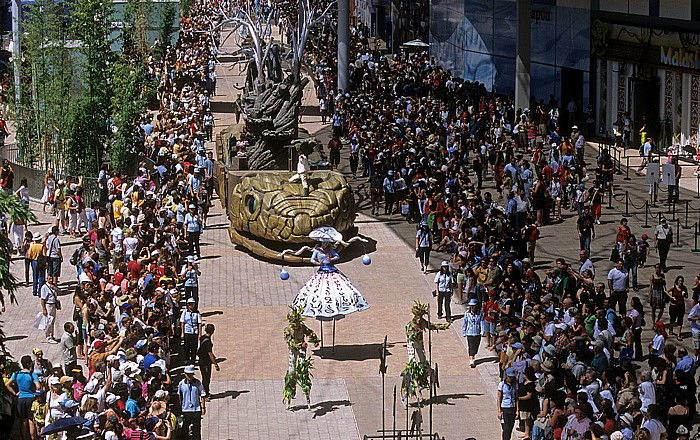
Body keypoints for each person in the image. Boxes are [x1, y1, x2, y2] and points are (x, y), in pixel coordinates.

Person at [283, 307, 320, 409]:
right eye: (293, 325)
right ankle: (289, 396)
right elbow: (290, 343)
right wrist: (300, 345)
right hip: (294, 350)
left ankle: (307, 395)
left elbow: (310, 333)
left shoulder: (302, 327)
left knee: (303, 370)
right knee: (291, 372)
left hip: (302, 350)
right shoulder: (288, 330)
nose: (295, 327)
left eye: (297, 325)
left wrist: (315, 340)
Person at [4, 356, 41, 440]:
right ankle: (33, 438)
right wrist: (35, 394)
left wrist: (15, 393)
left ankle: (24, 438)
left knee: (23, 421)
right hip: (30, 398)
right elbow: (38, 386)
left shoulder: (17, 374)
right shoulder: (32, 374)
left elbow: (7, 384)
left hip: (20, 399)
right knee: (30, 420)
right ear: (28, 363)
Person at [177, 365, 206, 440]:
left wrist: (203, 407)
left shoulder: (197, 383)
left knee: (196, 429)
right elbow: (180, 395)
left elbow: (203, 394)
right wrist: (180, 407)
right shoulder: (181, 384)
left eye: (191, 374)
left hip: (196, 409)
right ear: (185, 374)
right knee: (185, 428)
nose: (189, 376)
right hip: (186, 409)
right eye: (188, 374)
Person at [197, 323, 219, 398]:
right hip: (205, 362)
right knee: (206, 378)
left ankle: (206, 391)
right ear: (212, 331)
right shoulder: (208, 342)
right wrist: (215, 364)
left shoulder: (203, 337)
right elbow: (209, 353)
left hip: (201, 360)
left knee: (205, 378)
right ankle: (205, 394)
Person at [498, 367, 518, 440]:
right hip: (505, 407)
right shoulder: (502, 385)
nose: (511, 378)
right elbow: (499, 398)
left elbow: (516, 398)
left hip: (512, 407)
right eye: (509, 377)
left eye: (512, 377)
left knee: (510, 427)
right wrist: (499, 411)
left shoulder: (515, 384)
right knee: (506, 428)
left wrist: (517, 410)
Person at [180, 298, 202, 365]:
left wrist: (199, 334)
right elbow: (182, 322)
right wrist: (182, 333)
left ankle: (193, 360)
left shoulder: (197, 312)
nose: (191, 306)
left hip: (194, 332)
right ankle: (187, 358)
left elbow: (199, 323)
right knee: (186, 346)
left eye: (192, 304)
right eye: (189, 304)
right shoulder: (185, 312)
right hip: (187, 331)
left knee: (194, 347)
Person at [666, 275, 688, 342]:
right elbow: (666, 291)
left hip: (681, 305)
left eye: (681, 281)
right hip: (673, 306)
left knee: (680, 320)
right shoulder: (674, 287)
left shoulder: (684, 288)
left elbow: (687, 296)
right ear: (677, 281)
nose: (680, 282)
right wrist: (671, 297)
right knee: (672, 319)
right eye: (679, 281)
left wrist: (684, 295)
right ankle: (671, 328)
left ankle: (678, 335)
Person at [462, 298, 482, 368]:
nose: (472, 307)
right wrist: (464, 332)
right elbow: (465, 323)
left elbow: (482, 322)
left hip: (477, 332)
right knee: (471, 346)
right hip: (469, 332)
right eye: (471, 306)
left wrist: (482, 331)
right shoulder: (467, 314)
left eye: (474, 306)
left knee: (476, 346)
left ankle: (473, 355)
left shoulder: (480, 313)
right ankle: (471, 359)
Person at [687, 295, 700, 359]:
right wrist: (697, 318)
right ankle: (696, 356)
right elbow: (689, 318)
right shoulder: (696, 308)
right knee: (696, 345)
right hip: (696, 330)